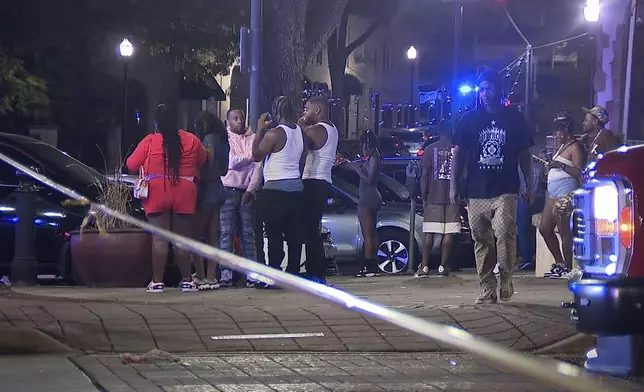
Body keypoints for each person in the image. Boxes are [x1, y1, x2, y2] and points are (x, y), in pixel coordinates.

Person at [450, 71, 534, 304]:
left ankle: (505, 276)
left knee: (505, 230)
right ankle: (487, 287)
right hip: (476, 190)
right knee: (481, 238)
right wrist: (453, 185)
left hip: (506, 187)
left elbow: (525, 154)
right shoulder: (469, 120)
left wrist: (529, 183)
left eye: (488, 89)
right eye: (481, 89)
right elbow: (458, 154)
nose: (484, 94)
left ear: (499, 89)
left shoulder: (515, 119)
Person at [126, 103, 207, 293]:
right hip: (185, 191)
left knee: (160, 239)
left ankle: (157, 282)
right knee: (181, 240)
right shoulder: (191, 140)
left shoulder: (150, 141)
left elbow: (131, 164)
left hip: (157, 191)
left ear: (156, 122)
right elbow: (202, 160)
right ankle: (187, 280)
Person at [252, 96, 307, 288]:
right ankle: (293, 273)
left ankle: (274, 275)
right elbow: (302, 161)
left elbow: (256, 155)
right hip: (296, 189)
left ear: (275, 112)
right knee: (294, 236)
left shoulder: (273, 134)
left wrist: (259, 129)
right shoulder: (301, 133)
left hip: (275, 190)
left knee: (274, 235)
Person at [219, 109, 261, 287]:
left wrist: (251, 189)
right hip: (227, 190)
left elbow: (258, 167)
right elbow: (231, 162)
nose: (239, 121)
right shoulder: (225, 138)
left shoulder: (253, 138)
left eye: (241, 118)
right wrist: (251, 157)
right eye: (235, 118)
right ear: (228, 121)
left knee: (248, 235)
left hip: (247, 192)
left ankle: (252, 274)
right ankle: (225, 274)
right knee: (226, 233)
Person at [540, 111, 585, 277]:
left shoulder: (575, 147)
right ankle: (559, 262)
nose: (555, 134)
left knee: (565, 231)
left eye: (557, 131)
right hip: (553, 194)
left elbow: (579, 172)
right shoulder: (561, 147)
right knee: (545, 229)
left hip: (566, 193)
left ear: (565, 130)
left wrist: (561, 165)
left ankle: (567, 266)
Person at [300, 96, 339, 285]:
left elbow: (298, 146)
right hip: (322, 182)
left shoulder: (317, 130)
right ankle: (316, 272)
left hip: (313, 182)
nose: (303, 112)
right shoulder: (332, 128)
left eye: (306, 108)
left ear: (317, 110)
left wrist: (299, 126)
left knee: (310, 230)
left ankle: (315, 273)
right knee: (312, 228)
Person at [191, 111, 229, 290]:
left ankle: (200, 276)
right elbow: (224, 170)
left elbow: (207, 166)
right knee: (213, 235)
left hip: (205, 190)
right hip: (219, 190)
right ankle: (212, 276)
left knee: (195, 234)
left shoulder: (207, 140)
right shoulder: (223, 139)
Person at [415, 126, 459, 278]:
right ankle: (443, 266)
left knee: (430, 232)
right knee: (449, 233)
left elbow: (425, 174)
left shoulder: (429, 150)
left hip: (434, 196)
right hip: (453, 197)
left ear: (439, 133)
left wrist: (424, 195)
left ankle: (425, 266)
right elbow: (463, 173)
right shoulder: (456, 149)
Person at [344, 130, 383, 278]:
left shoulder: (374, 158)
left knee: (368, 234)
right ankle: (372, 264)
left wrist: (356, 169)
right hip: (371, 197)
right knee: (372, 232)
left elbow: (369, 180)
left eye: (364, 145)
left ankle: (369, 266)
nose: (363, 149)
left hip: (368, 198)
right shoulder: (373, 158)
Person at [516, 149, 547, 271]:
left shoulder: (520, 165)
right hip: (537, 198)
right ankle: (531, 257)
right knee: (530, 229)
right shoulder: (538, 165)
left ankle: (528, 258)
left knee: (524, 229)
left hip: (526, 198)